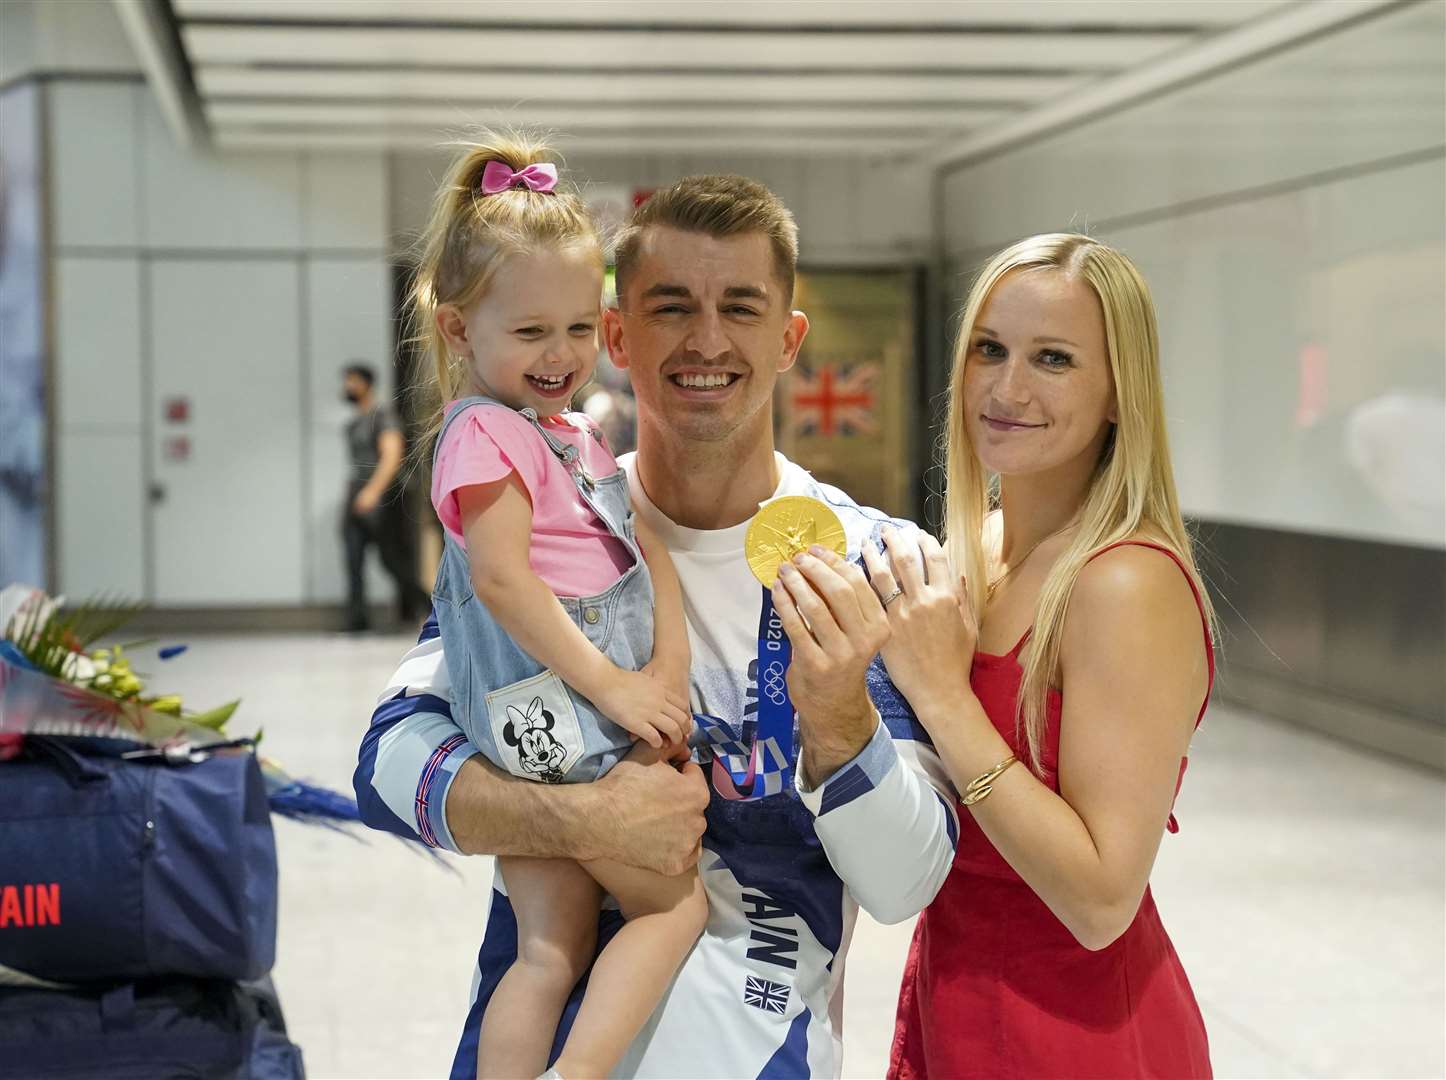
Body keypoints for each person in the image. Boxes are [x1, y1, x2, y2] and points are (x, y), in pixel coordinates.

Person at [354, 173, 959, 1079]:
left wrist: (840, 722)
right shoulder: (540, 517)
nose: (706, 341)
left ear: (789, 338)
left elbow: (907, 883)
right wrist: (581, 818)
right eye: (670, 307)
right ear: (616, 338)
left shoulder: (873, 564)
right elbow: (386, 767)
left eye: (741, 308)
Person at [851, 234, 1216, 1078]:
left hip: (1078, 1034)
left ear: (1120, 392)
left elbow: (1099, 901)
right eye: (990, 349)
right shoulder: (971, 556)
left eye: (1053, 359)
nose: (1007, 389)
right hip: (952, 1004)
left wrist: (944, 699)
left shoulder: (1125, 583)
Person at [412, 132, 703, 1080]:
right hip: (562, 711)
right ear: (458, 330)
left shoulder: (566, 433)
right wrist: (621, 691)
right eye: (531, 332)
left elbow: (640, 541)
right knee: (675, 906)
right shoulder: (485, 434)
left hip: (534, 721)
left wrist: (665, 670)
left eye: (580, 329)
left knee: (551, 947)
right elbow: (501, 584)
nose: (562, 354)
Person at [341, 363, 430, 632]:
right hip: (356, 491)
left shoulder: (382, 415)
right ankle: (357, 621)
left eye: (352, 381)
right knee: (353, 558)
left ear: (366, 383)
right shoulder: (355, 419)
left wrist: (372, 491)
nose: (347, 387)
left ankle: (429, 609)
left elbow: (392, 455)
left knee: (391, 559)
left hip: (378, 494)